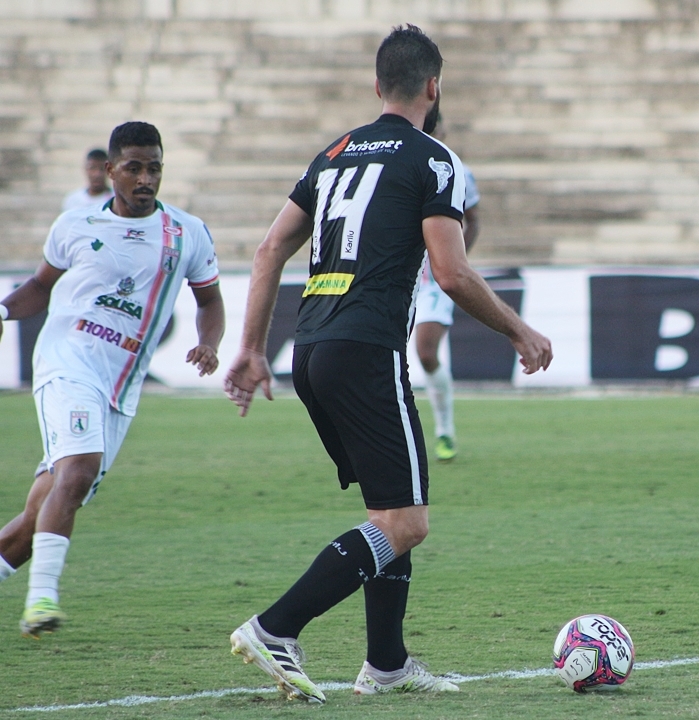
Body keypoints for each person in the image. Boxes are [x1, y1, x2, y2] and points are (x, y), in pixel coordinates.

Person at [223, 24, 552, 704]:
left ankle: (388, 665)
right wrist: (519, 330)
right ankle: (276, 627)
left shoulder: (335, 152)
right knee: (406, 525)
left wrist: (253, 348)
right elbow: (452, 272)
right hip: (365, 348)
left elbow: (267, 251)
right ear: (434, 87)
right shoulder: (434, 159)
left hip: (312, 348)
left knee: (392, 509)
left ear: (378, 86)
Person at [0, 121, 224, 638]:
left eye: (154, 168)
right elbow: (38, 287)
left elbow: (209, 301)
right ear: (110, 171)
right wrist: (4, 313)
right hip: (66, 363)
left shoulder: (186, 231)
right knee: (78, 468)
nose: (145, 179)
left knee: (49, 505)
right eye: (134, 168)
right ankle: (41, 601)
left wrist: (208, 342)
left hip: (121, 387)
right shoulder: (75, 224)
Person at [413, 113, 481, 462]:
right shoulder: (401, 162)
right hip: (399, 276)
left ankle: (444, 430)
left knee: (425, 352)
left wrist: (452, 257)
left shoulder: (456, 170)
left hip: (434, 279)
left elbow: (474, 221)